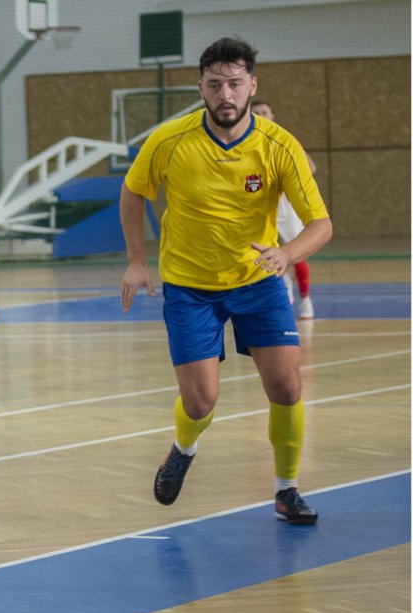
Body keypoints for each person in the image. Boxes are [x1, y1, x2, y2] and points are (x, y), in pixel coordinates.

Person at [119, 37, 332, 524]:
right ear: (201, 88)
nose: (225, 94)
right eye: (215, 85)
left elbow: (321, 224)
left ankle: (286, 489)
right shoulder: (169, 140)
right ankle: (183, 448)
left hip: (258, 284)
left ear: (252, 85)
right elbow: (132, 193)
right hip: (190, 288)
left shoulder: (279, 146)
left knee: (287, 388)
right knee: (201, 402)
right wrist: (136, 261)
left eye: (235, 83)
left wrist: (286, 253)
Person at [250, 100, 316, 319]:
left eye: (264, 111)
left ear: (272, 115)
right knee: (257, 252)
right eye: (256, 112)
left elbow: (311, 168)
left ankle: (305, 300)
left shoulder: (285, 140)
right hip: (255, 204)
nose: (261, 115)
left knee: (296, 251)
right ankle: (281, 287)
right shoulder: (243, 141)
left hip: (283, 204)